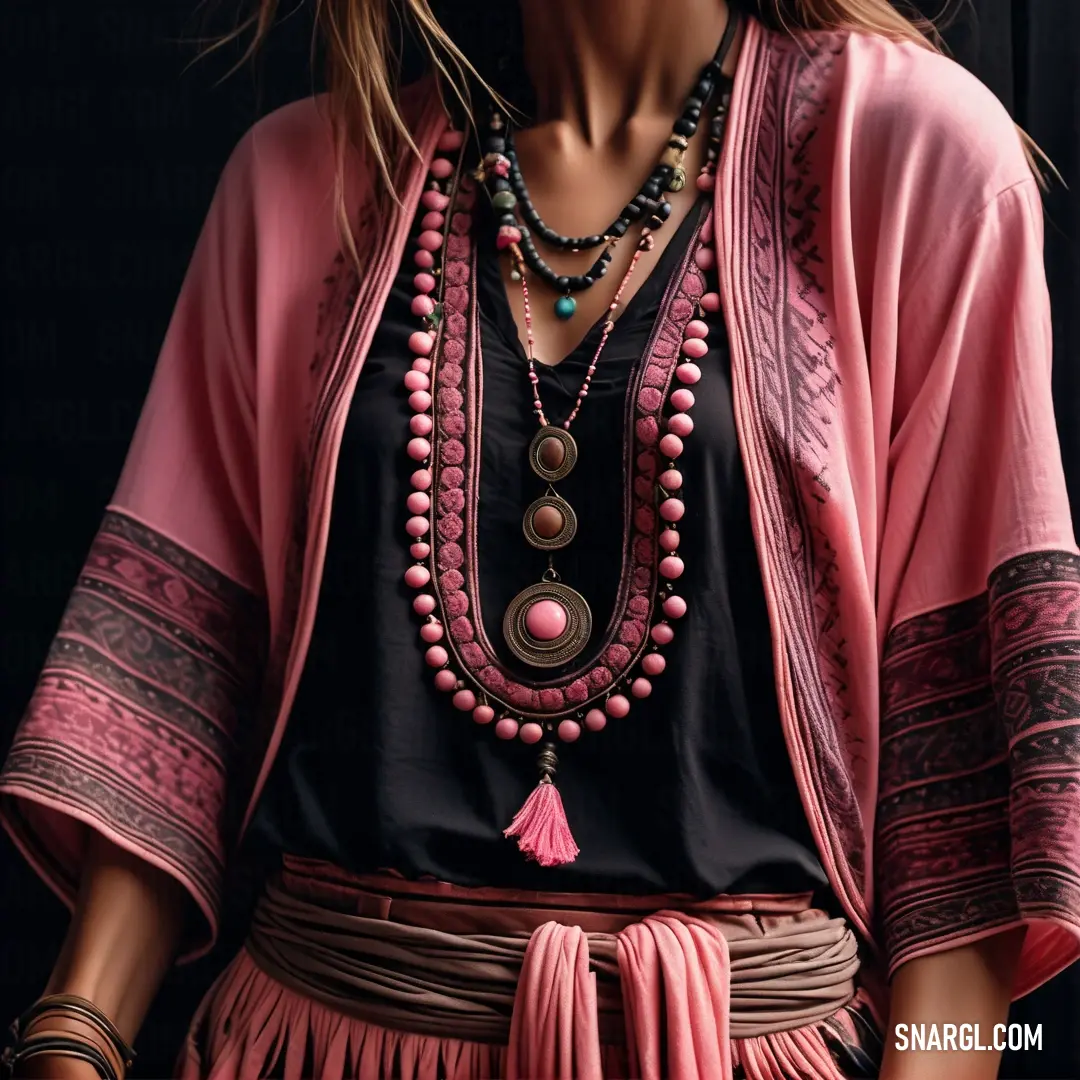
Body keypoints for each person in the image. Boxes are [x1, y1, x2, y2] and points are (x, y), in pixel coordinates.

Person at [2, 0, 1078, 1077]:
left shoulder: (912, 156)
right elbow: (175, 694)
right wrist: (75, 1033)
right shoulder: (304, 177)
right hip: (313, 1043)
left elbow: (966, 815)